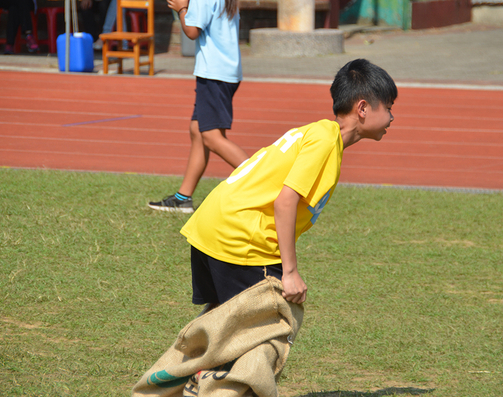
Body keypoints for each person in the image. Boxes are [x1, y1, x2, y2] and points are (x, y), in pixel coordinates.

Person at [180, 58, 397, 309]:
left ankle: (191, 349)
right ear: (363, 108)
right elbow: (285, 202)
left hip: (214, 225)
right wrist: (290, 271)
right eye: (389, 107)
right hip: (238, 235)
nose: (392, 117)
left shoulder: (320, 134)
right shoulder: (325, 141)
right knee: (272, 324)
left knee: (222, 322)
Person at [148, 0, 246, 213]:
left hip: (214, 74)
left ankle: (265, 179)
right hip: (223, 72)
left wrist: (182, 9)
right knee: (197, 131)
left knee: (211, 137)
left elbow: (191, 32)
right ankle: (183, 198)